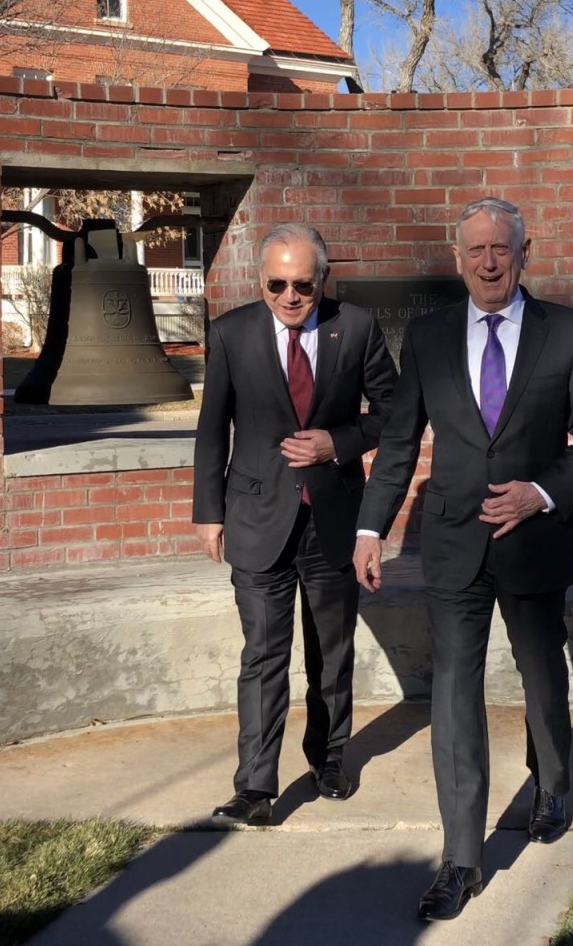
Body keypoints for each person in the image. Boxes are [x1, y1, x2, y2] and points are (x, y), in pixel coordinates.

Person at [353, 196, 573, 921]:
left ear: (523, 251)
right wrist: (370, 529)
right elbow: (401, 439)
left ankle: (552, 783)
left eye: (500, 247)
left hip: (535, 540)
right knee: (452, 695)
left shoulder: (568, 332)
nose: (489, 261)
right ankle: (461, 860)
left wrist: (542, 492)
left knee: (541, 679)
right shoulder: (430, 337)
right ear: (458, 257)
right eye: (475, 250)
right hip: (451, 545)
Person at [193, 223, 397, 826]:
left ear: (322, 280)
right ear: (261, 282)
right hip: (255, 520)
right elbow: (213, 427)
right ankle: (255, 787)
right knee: (262, 655)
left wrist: (337, 442)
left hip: (333, 519)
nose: (288, 296)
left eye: (302, 285)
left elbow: (395, 413)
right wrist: (208, 511)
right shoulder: (231, 333)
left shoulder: (355, 328)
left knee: (330, 652)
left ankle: (330, 758)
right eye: (276, 284)